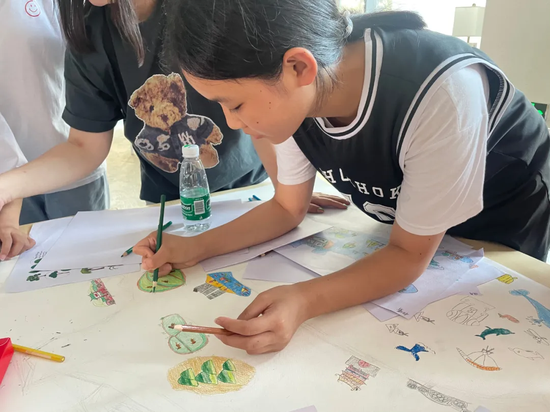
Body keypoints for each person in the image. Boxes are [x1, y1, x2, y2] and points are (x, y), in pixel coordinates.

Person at [133, 1, 550, 354]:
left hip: (499, 223)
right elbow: (287, 208)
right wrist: (196, 246)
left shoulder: (441, 93)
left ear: (298, 66)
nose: (233, 123)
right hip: (411, 230)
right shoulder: (297, 95)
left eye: (236, 104)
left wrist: (303, 300)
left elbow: (408, 254)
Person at [0, 0, 347, 219]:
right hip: (170, 197)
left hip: (246, 185)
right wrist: (7, 187)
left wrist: (288, 192)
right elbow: (83, 146)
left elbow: (262, 110)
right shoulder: (91, 32)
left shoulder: (209, 11)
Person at [0, 0, 108, 259]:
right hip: (7, 175)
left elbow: (89, 63)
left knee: (89, 261)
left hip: (71, 158)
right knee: (23, 263)